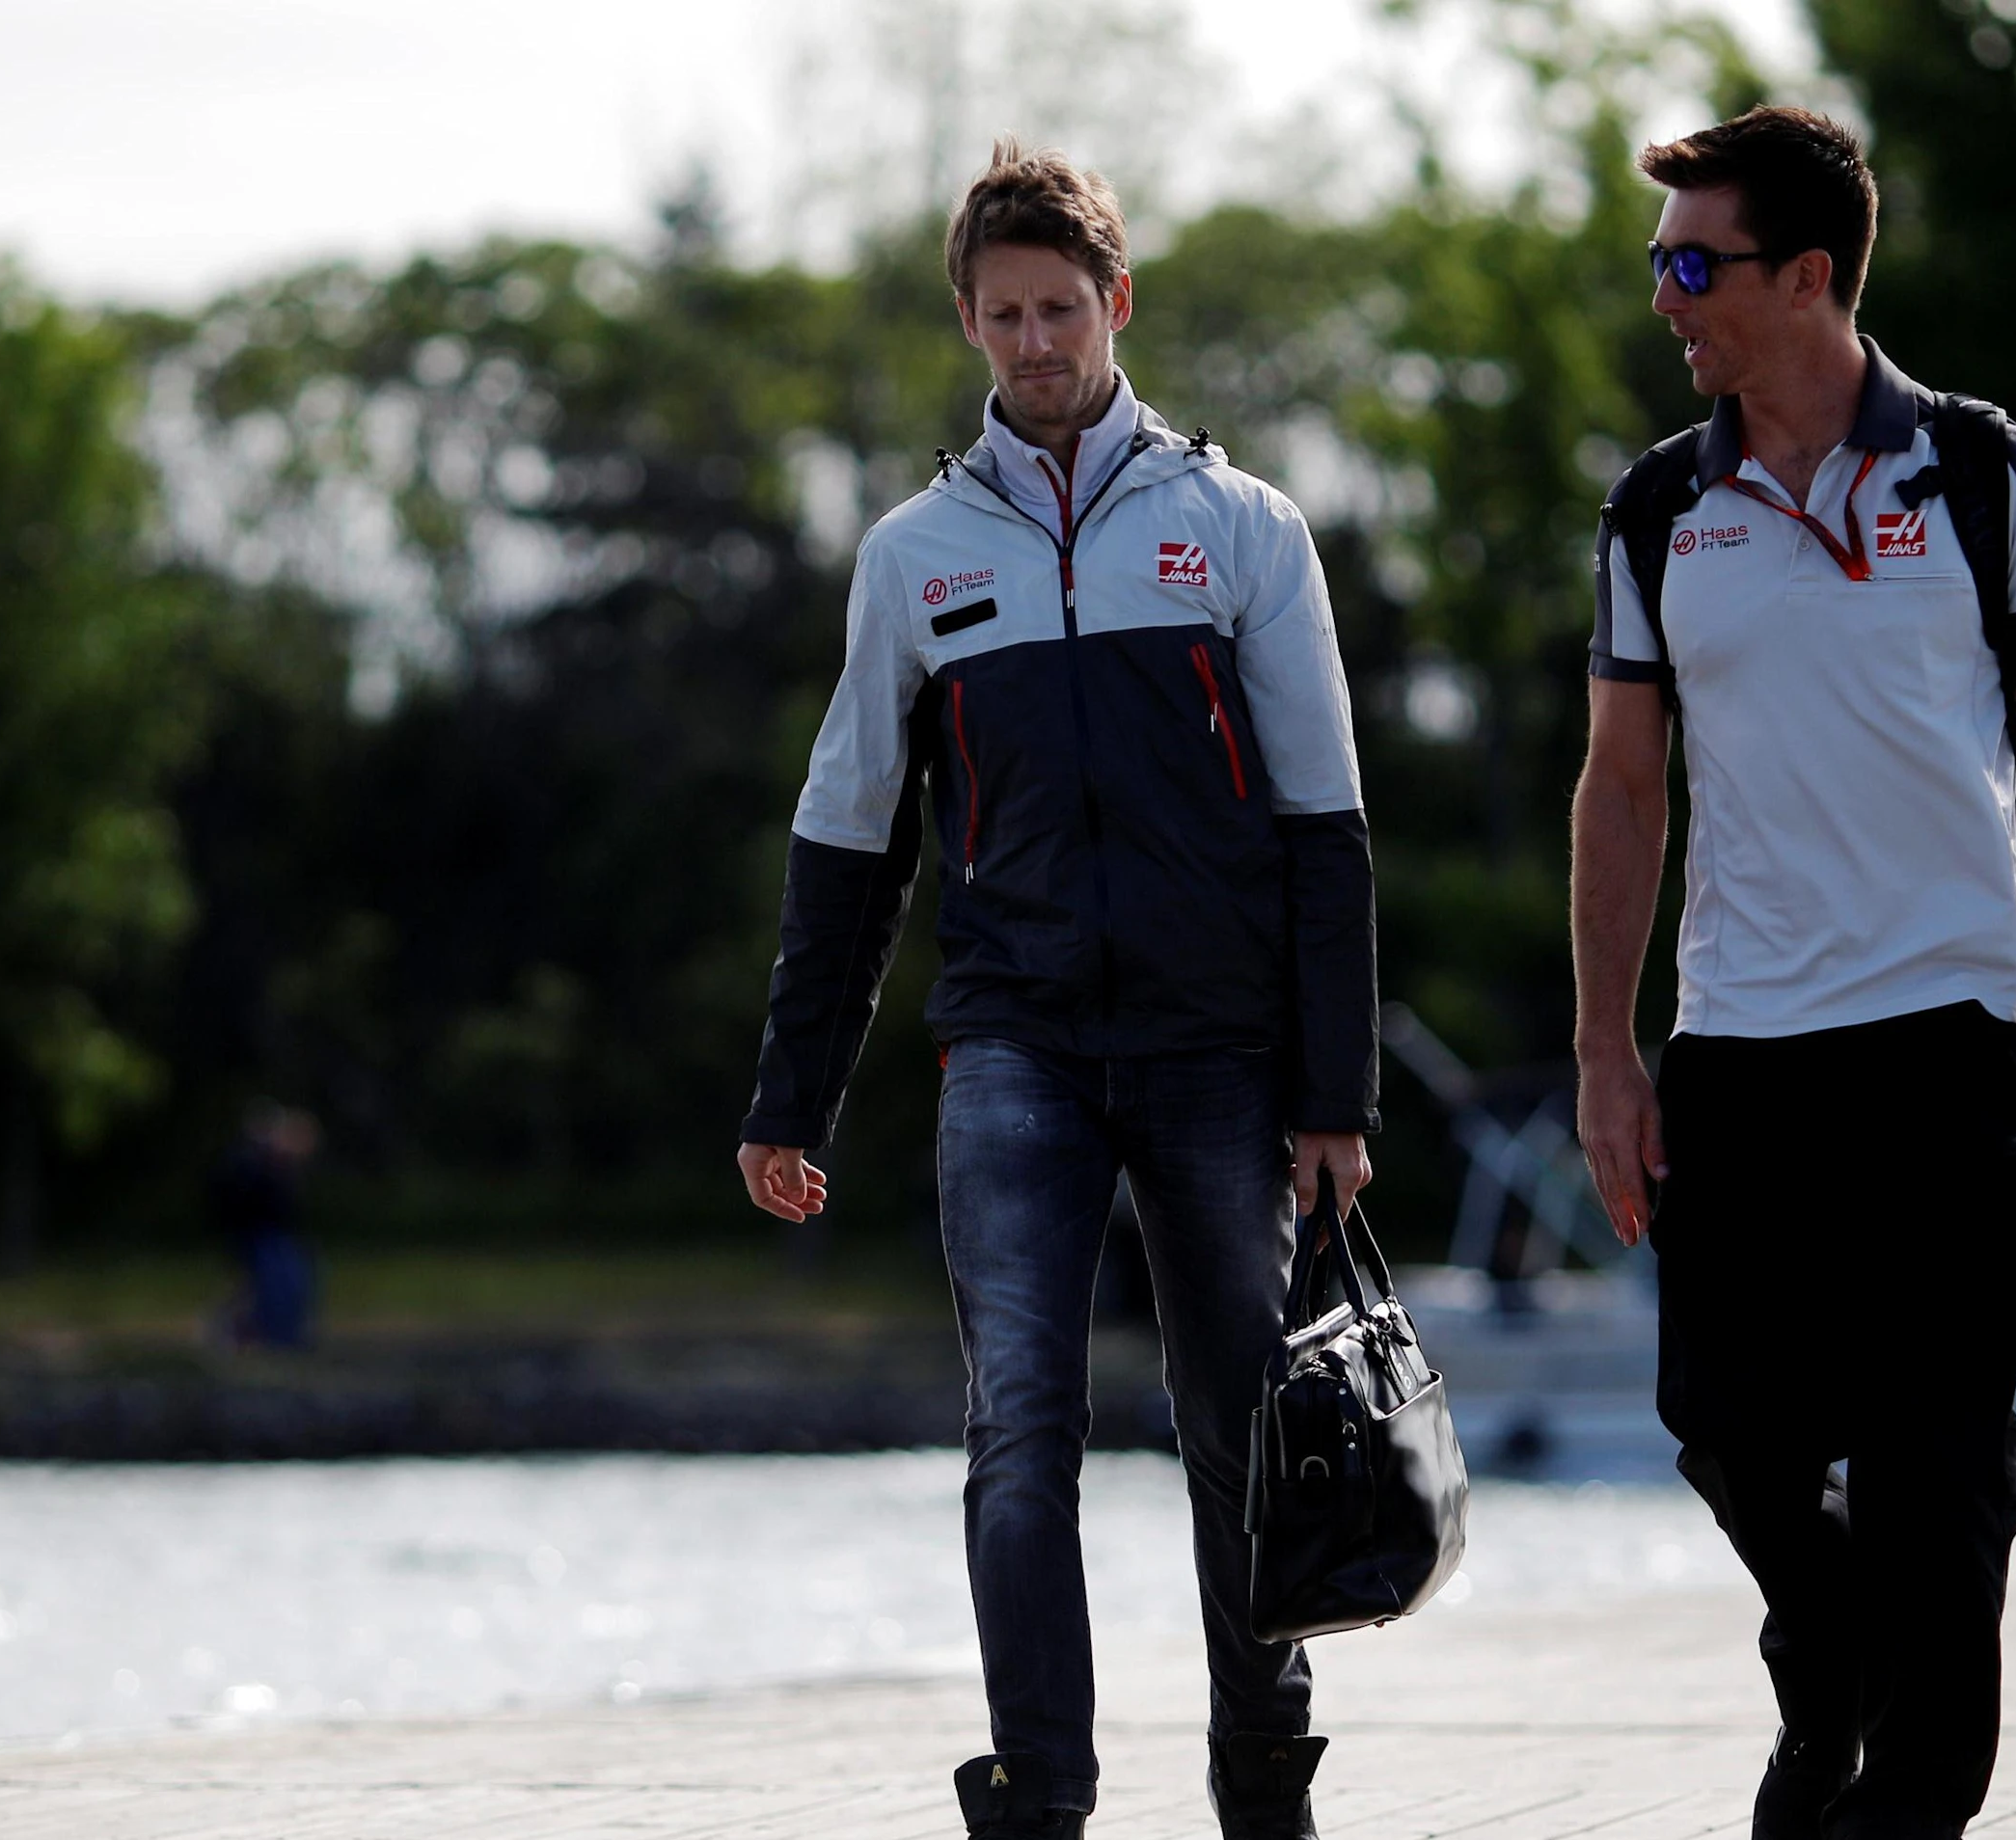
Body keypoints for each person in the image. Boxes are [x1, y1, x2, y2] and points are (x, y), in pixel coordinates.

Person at [1568, 108, 2016, 1838]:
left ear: (1807, 277)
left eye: (1692, 266)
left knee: (1935, 1463)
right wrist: (1605, 1050)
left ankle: (1910, 1797)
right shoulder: (1656, 505)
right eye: (1660, 264)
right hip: (1737, 1036)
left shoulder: (1987, 473)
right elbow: (1621, 788)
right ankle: (1829, 1653)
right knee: (1725, 1424)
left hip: (1945, 1027)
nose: (1665, 297)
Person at [734, 139, 1379, 1840]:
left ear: (1117, 304)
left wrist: (1335, 1096)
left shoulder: (1243, 530)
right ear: (968, 319)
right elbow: (850, 839)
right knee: (1019, 1427)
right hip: (1013, 1041)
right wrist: (792, 1097)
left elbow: (1324, 829)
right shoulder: (913, 558)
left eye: (1061, 309)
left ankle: (1263, 1778)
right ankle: (1042, 1794)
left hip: (1216, 1050)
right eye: (1005, 313)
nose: (1035, 341)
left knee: (1242, 1423)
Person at [209, 1102, 320, 1348]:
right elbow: (238, 1203)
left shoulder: (280, 1166)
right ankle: (249, 1332)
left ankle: (282, 1333)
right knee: (262, 1287)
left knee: (288, 1284)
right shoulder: (250, 1164)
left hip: (277, 1236)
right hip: (258, 1235)